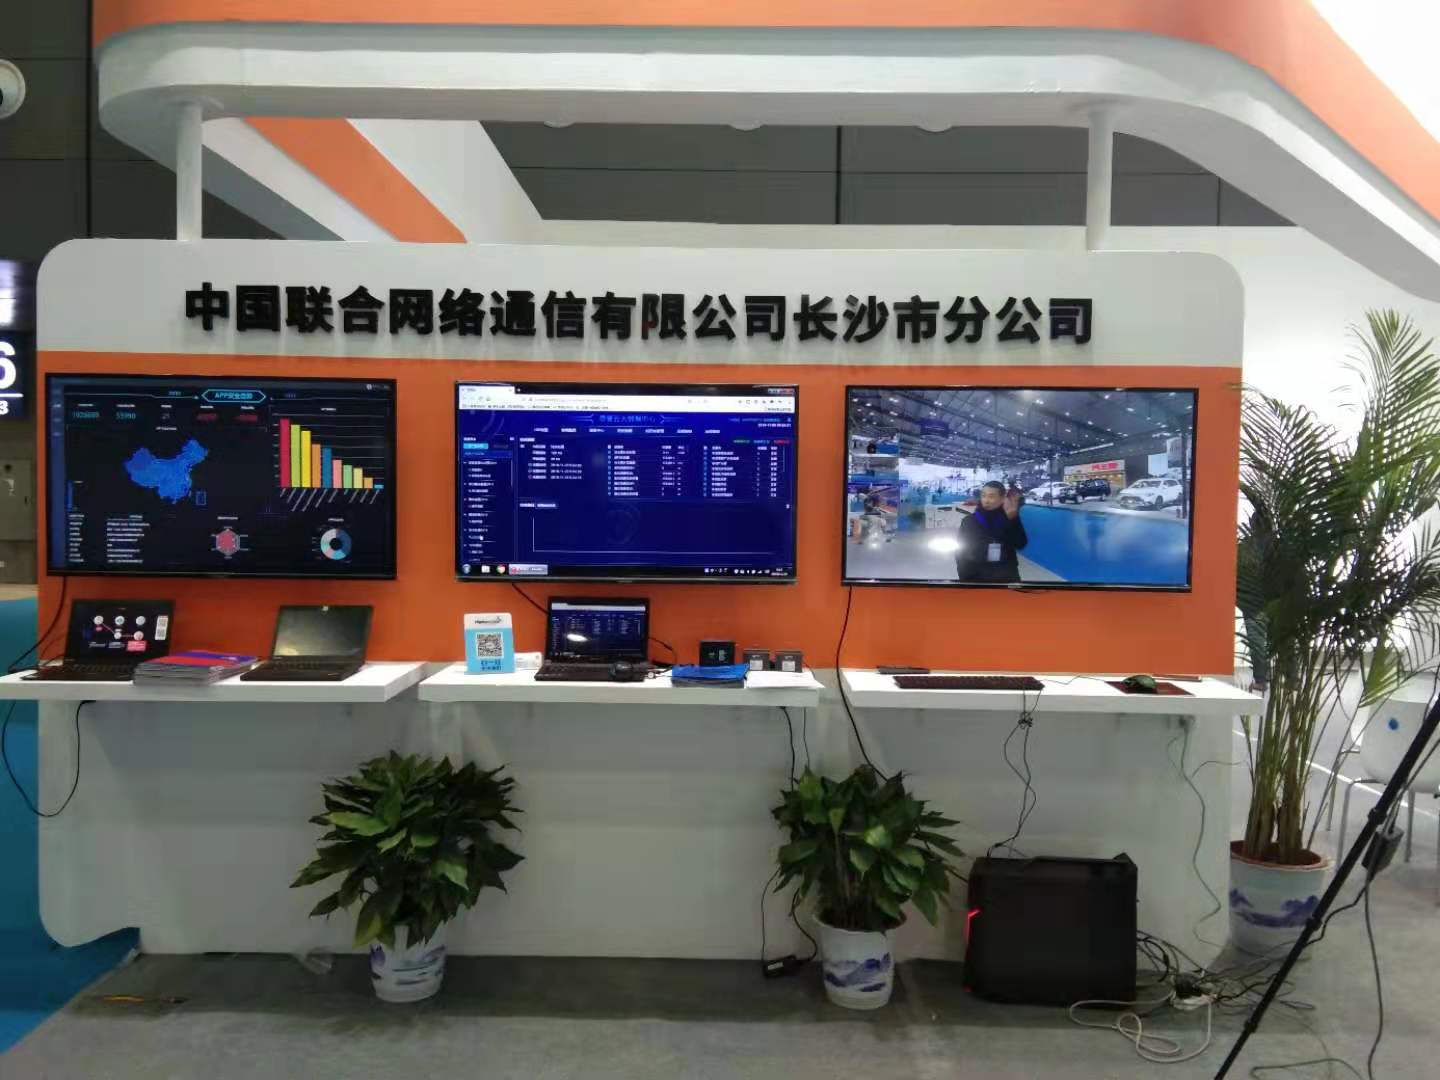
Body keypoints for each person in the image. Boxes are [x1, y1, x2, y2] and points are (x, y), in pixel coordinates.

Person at [956, 481, 1028, 583]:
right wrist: (965, 578)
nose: (986, 500)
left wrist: (1012, 520)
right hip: (975, 577)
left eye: (991, 496)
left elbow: (1020, 543)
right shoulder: (970, 521)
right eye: (983, 496)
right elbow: (961, 552)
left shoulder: (1010, 517)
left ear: (1002, 498)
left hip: (1006, 577)